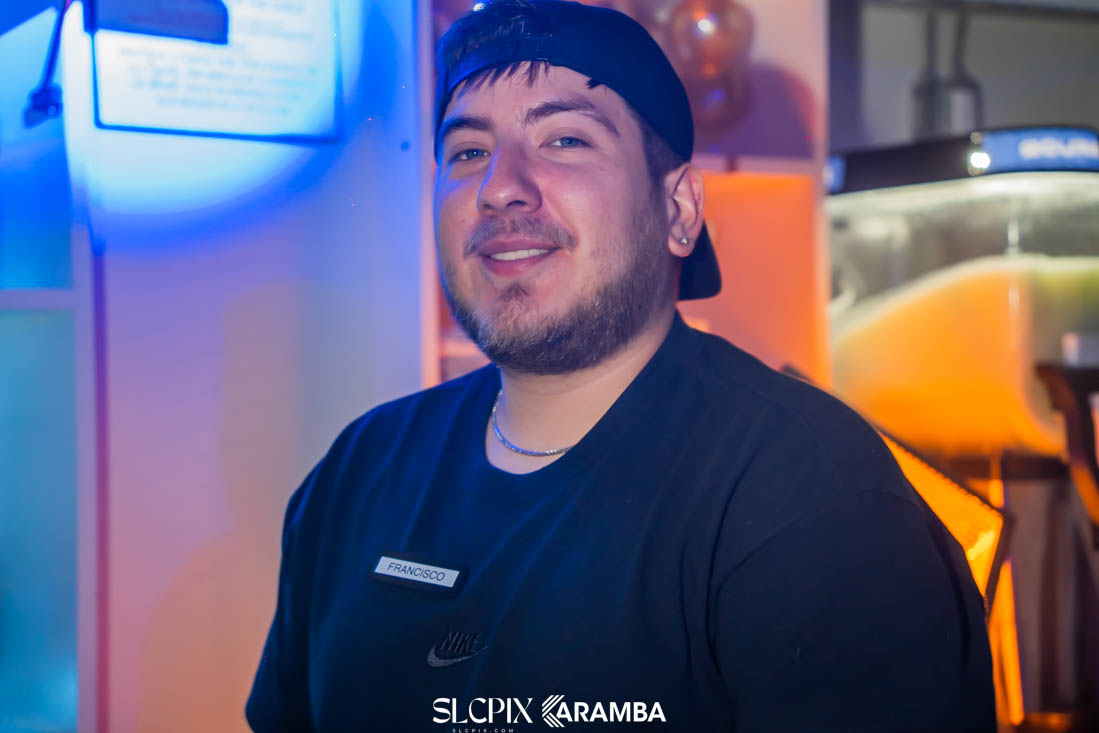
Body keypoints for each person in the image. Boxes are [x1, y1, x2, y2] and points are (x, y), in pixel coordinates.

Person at [246, 1, 996, 730]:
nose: (498, 186)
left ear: (679, 210)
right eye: (468, 151)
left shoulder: (811, 495)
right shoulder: (360, 472)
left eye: (565, 140)